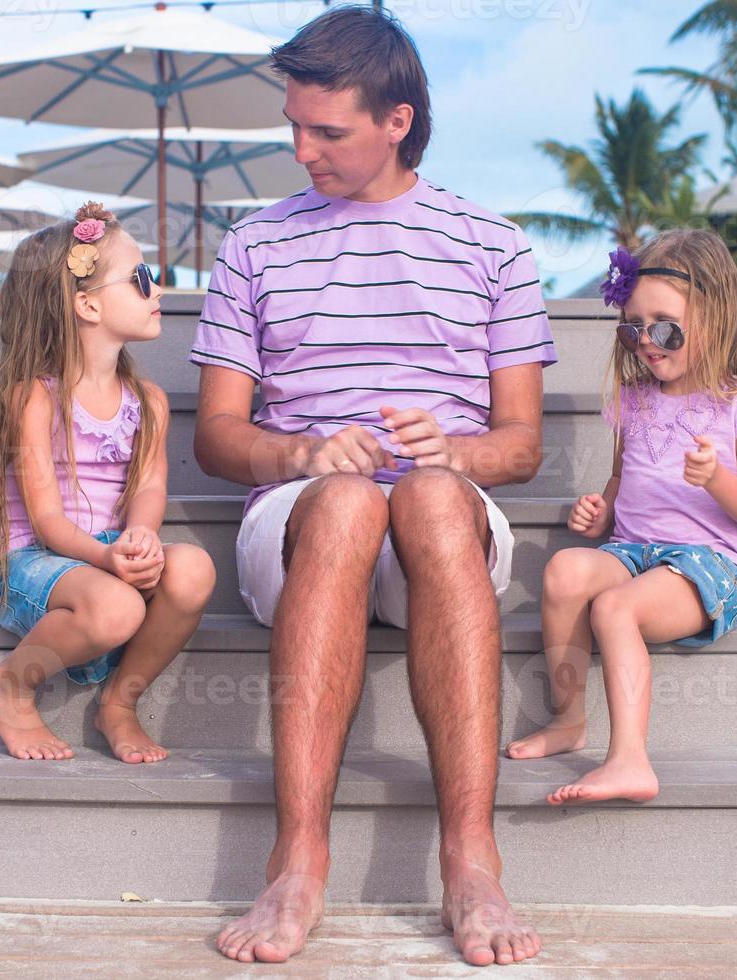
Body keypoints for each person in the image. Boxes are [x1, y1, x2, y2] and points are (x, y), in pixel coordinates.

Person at [191, 6, 556, 967]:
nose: (300, 149)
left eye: (327, 131)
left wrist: (457, 452)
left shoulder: (494, 244)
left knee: (429, 494)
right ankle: (298, 856)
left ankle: (471, 857)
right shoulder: (253, 245)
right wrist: (301, 455)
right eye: (294, 126)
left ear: (397, 121)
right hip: (304, 520)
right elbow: (217, 438)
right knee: (353, 500)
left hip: (443, 525)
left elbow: (521, 447)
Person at [506, 229, 737, 804]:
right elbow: (621, 480)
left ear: (715, 316)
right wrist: (598, 511)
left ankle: (630, 759)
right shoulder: (632, 401)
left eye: (663, 326)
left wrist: (716, 479)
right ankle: (567, 718)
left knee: (614, 607)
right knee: (563, 572)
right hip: (631, 550)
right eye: (633, 327)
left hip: (707, 564)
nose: (646, 342)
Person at [0, 202, 216, 764]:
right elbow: (49, 522)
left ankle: (118, 704)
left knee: (194, 568)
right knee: (117, 609)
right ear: (88, 303)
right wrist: (106, 564)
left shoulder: (147, 401)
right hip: (32, 559)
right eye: (141, 278)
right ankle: (9, 687)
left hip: (103, 555)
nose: (158, 290)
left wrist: (141, 538)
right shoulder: (35, 396)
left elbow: (150, 488)